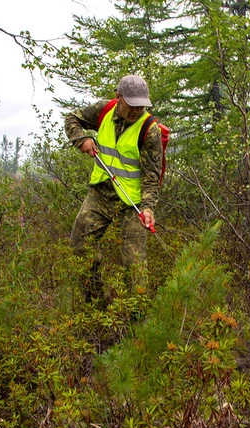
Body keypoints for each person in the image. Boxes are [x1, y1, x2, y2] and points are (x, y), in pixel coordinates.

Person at [64, 75, 163, 302]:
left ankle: (137, 320)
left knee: (134, 263)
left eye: (141, 105)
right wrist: (81, 139)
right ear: (118, 97)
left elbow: (151, 176)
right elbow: (72, 118)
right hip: (102, 191)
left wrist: (148, 209)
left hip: (133, 202)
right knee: (80, 244)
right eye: (132, 104)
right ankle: (96, 303)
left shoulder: (150, 130)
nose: (136, 110)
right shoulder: (104, 110)